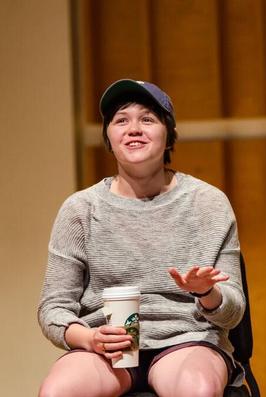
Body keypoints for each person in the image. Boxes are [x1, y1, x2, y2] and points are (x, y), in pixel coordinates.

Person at [37, 79, 245, 397]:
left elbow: (234, 310)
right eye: (121, 120)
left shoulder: (207, 203)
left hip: (188, 340)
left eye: (147, 119)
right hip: (104, 349)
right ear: (109, 136)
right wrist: (88, 338)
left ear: (168, 134)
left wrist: (208, 294)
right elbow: (54, 307)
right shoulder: (80, 209)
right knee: (58, 392)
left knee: (196, 390)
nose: (134, 129)